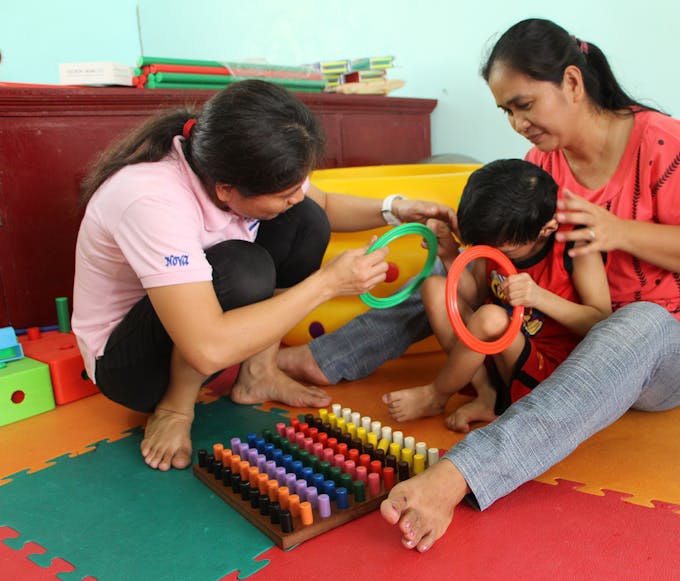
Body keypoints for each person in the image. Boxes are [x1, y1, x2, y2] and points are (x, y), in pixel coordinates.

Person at [281, 18, 680, 551]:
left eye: (524, 104)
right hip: (562, 330)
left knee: (631, 323)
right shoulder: (541, 163)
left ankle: (460, 475)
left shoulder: (662, 142)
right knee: (454, 267)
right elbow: (498, 263)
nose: (517, 123)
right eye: (506, 111)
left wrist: (619, 231)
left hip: (667, 343)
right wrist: (467, 248)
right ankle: (323, 358)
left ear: (572, 82)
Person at [71, 79, 455, 472]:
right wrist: (328, 284)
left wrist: (398, 209)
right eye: (284, 190)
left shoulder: (240, 163)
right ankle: (174, 408)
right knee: (244, 267)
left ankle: (258, 373)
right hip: (132, 367)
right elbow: (208, 347)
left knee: (306, 219)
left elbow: (321, 203)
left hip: (195, 329)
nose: (296, 193)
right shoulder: (151, 200)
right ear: (226, 190)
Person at [382, 159, 611, 431]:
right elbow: (478, 296)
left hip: (547, 370)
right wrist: (448, 252)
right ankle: (487, 393)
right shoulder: (493, 241)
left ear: (545, 230)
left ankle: (437, 394)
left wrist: (538, 297)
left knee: (491, 318)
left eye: (503, 250)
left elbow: (602, 322)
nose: (493, 254)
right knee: (435, 288)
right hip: (490, 352)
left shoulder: (575, 245)